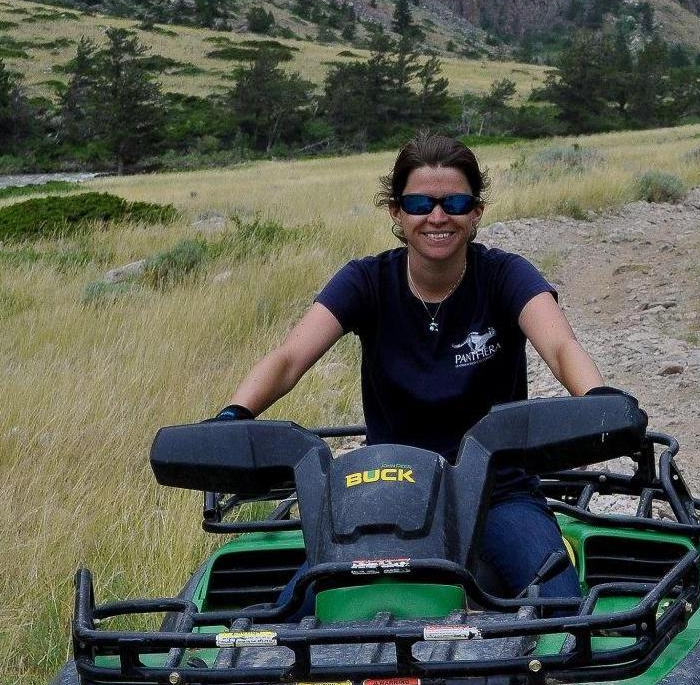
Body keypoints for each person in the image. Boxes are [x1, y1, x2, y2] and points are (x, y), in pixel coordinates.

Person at [218, 131, 616, 598]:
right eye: (420, 203)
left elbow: (561, 346)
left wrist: (598, 401)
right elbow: (288, 359)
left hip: (498, 494)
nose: (438, 217)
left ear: (477, 211)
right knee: (288, 620)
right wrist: (233, 416)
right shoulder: (366, 281)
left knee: (561, 605)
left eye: (456, 201)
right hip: (389, 494)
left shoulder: (505, 276)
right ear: (396, 212)